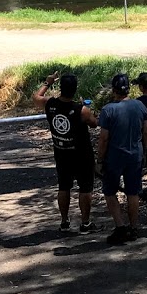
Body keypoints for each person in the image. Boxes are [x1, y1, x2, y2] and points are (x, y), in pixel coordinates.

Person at [32, 71, 98, 234]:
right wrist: (88, 109)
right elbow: (94, 123)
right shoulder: (81, 109)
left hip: (61, 153)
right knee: (85, 189)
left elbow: (36, 98)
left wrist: (47, 82)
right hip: (82, 155)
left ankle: (64, 221)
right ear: (75, 89)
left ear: (60, 88)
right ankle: (85, 223)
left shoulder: (50, 104)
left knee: (64, 187)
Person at [97, 73, 147, 245]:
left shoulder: (108, 110)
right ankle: (134, 227)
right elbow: (146, 132)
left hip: (114, 157)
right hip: (135, 154)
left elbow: (104, 138)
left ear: (113, 90)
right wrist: (144, 151)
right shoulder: (140, 106)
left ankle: (120, 226)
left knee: (110, 191)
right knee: (133, 192)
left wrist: (99, 159)